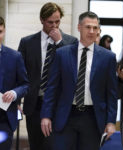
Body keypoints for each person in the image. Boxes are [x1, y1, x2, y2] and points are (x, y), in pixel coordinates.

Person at [41, 11, 118, 150]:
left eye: (95, 28)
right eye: (88, 27)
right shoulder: (62, 54)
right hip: (66, 115)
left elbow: (111, 93)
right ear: (79, 27)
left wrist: (111, 121)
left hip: (93, 117)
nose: (92, 31)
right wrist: (46, 115)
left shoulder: (108, 57)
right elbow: (52, 87)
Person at [18, 2, 77, 150]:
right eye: (50, 22)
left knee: (56, 145)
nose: (54, 26)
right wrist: (17, 101)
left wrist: (59, 42)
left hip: (59, 104)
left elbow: (73, 70)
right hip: (34, 103)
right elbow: (19, 73)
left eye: (57, 21)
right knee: (36, 145)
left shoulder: (71, 42)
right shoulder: (27, 42)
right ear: (42, 20)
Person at [0, 16, 29, 150]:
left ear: (4, 31)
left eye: (0, 32)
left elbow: (25, 85)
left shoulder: (14, 56)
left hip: (4, 119)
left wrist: (14, 93)